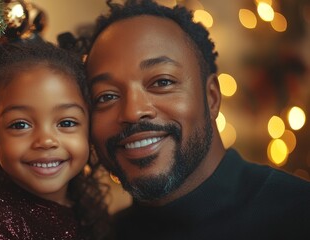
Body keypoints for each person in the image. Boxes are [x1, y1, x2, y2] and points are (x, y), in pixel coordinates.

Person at [85, 0, 310, 239]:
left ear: (212, 97)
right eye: (106, 96)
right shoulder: (101, 234)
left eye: (162, 82)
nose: (132, 112)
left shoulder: (298, 214)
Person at [0, 41, 109, 240]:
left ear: (89, 130)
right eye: (20, 125)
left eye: (66, 122)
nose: (46, 140)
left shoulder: (83, 207)